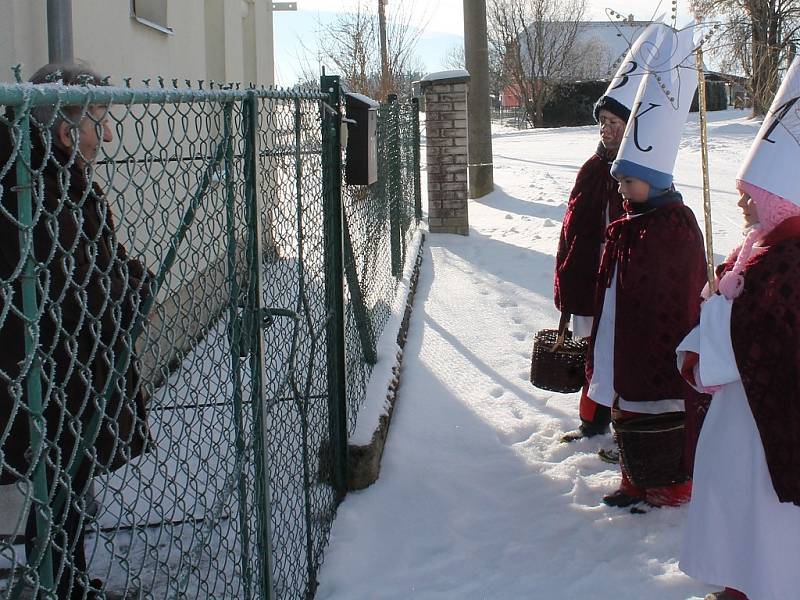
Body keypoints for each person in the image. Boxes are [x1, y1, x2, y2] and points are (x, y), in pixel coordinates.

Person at [0, 62, 151, 599]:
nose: (107, 135)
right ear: (68, 131)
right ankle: (62, 588)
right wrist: (133, 287)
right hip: (48, 376)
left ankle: (66, 583)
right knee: (58, 488)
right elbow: (74, 287)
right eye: (100, 122)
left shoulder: (48, 176)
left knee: (63, 487)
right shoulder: (41, 189)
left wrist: (124, 279)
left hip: (58, 372)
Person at [678, 56, 800, 600]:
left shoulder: (789, 259)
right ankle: (743, 580)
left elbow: (766, 335)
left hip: (771, 423)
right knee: (735, 496)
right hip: (741, 413)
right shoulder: (756, 249)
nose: (742, 199)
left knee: (767, 512)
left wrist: (715, 327)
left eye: (754, 192)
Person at [585, 23, 710, 509]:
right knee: (627, 409)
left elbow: (678, 289)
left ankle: (671, 481)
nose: (620, 189)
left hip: (659, 345)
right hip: (624, 339)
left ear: (653, 181)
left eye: (629, 181)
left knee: (659, 412)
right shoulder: (629, 222)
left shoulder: (675, 226)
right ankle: (633, 476)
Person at [555, 23, 662, 443]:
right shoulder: (591, 168)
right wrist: (567, 274)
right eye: (603, 121)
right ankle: (592, 419)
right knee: (594, 354)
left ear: (632, 125)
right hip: (589, 278)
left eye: (615, 121)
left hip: (623, 282)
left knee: (619, 353)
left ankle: (624, 428)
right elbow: (572, 227)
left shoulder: (644, 178)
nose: (606, 129)